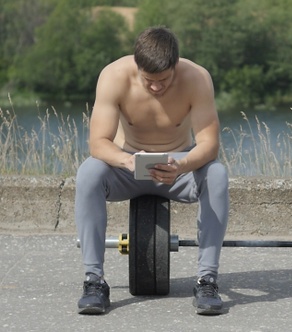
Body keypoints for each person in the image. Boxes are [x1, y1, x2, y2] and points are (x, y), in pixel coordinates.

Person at [75, 26, 229, 315]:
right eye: (149, 81)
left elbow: (209, 145)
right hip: (128, 166)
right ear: (137, 66)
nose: (156, 87)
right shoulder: (113, 76)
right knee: (88, 172)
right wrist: (127, 161)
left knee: (217, 174)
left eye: (164, 80)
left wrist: (182, 164)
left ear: (176, 65)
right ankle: (93, 281)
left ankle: (207, 280)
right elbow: (98, 143)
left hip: (178, 169)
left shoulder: (197, 78)